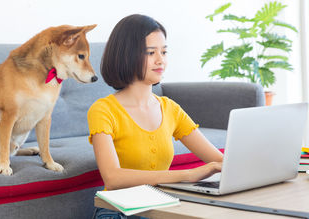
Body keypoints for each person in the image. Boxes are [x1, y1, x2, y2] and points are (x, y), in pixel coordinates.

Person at [88, 14, 223, 219]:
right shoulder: (103, 110)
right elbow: (113, 177)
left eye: (164, 51)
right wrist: (187, 175)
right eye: (151, 52)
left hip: (159, 208)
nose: (161, 60)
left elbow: (219, 160)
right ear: (127, 55)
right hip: (118, 213)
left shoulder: (170, 108)